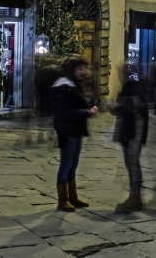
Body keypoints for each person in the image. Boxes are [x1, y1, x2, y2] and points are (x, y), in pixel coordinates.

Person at [51, 56, 98, 211]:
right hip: (67, 129)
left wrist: (89, 108)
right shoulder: (63, 87)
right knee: (66, 163)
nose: (83, 71)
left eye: (84, 68)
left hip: (75, 129)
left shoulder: (73, 86)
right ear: (72, 70)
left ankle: (73, 197)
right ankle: (62, 200)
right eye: (79, 69)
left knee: (73, 163)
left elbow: (78, 104)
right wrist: (86, 112)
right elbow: (65, 112)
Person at [108, 63, 149, 213]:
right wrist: (115, 108)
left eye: (122, 73)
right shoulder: (126, 88)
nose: (119, 76)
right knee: (130, 163)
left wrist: (118, 107)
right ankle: (134, 196)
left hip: (134, 132)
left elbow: (138, 109)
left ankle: (135, 197)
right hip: (127, 131)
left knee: (132, 163)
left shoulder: (136, 89)